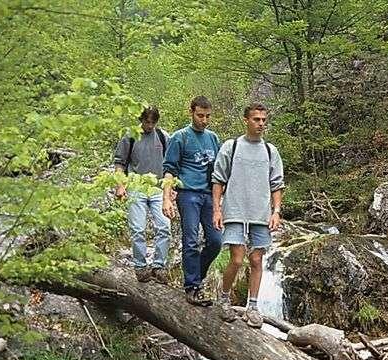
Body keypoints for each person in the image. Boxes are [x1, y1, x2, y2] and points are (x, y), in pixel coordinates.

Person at [211, 103, 284, 328]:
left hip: (261, 214)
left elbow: (277, 183)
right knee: (237, 258)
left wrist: (276, 212)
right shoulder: (231, 147)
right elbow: (218, 179)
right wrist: (216, 209)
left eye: (263, 120)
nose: (261, 123)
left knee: (256, 259)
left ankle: (253, 306)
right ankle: (223, 298)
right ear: (246, 120)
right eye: (256, 119)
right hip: (235, 210)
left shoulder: (270, 151)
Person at [162, 96, 223, 306]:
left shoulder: (214, 138)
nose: (204, 120)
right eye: (200, 116)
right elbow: (169, 169)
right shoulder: (180, 137)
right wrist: (166, 198)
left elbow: (221, 171)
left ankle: (197, 275)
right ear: (191, 112)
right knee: (191, 240)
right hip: (187, 194)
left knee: (216, 241)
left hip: (209, 195)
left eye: (207, 116)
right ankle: (192, 287)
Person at [114, 106, 170, 283]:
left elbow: (170, 165)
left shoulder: (163, 136)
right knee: (138, 229)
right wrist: (120, 186)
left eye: (153, 122)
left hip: (158, 188)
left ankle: (159, 266)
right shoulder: (130, 136)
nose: (150, 126)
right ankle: (140, 266)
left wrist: (171, 189)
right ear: (141, 120)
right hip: (136, 187)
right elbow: (120, 163)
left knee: (164, 226)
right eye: (147, 122)